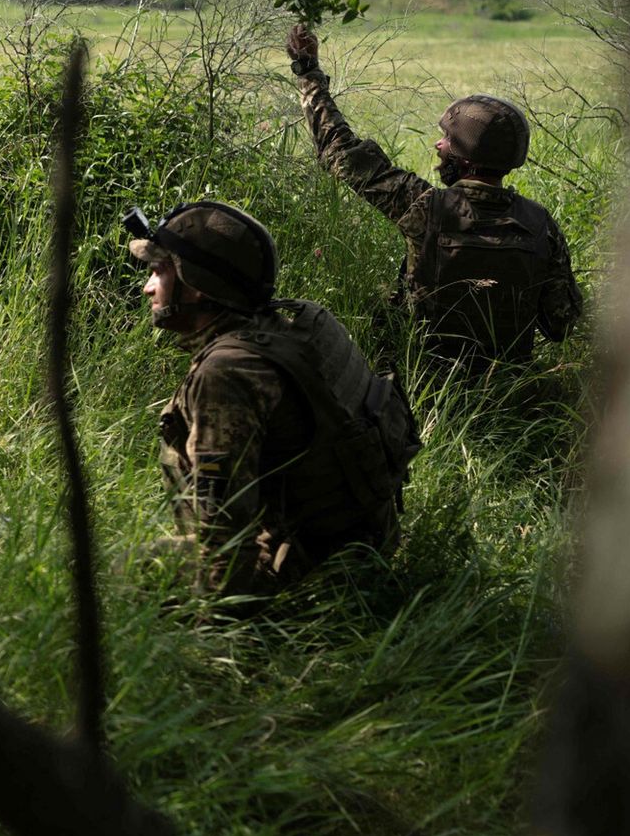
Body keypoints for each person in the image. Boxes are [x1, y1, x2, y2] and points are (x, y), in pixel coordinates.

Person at [129, 200, 418, 598]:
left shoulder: (227, 375)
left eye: (159, 271)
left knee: (115, 572)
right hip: (363, 551)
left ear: (195, 286)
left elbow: (224, 537)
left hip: (311, 582)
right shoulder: (298, 326)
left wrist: (215, 634)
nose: (147, 286)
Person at [286, 23, 583, 373]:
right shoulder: (539, 224)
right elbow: (558, 324)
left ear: (465, 159)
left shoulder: (425, 207)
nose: (438, 145)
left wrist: (308, 71)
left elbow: (339, 150)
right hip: (508, 391)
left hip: (422, 379)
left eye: (447, 140)